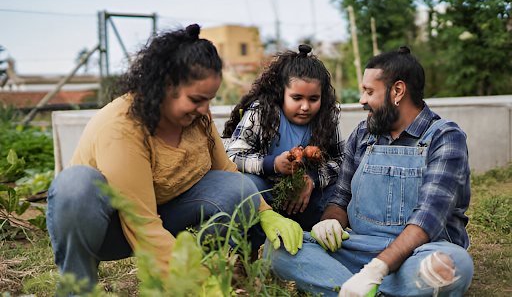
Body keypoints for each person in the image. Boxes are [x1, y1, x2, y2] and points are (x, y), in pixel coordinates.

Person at [46, 24, 303, 295]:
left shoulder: (197, 117)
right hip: (107, 229)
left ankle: (213, 269)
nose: (205, 109)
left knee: (234, 187)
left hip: (160, 216)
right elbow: (141, 223)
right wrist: (196, 284)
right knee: (76, 184)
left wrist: (266, 213)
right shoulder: (121, 127)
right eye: (196, 99)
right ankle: (78, 287)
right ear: (164, 86)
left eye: (209, 100)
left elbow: (226, 169)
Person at [266, 46, 474, 297]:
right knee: (277, 248)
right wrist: (329, 222)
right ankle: (373, 291)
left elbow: (428, 218)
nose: (362, 100)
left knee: (454, 264)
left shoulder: (444, 137)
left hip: (420, 252)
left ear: (397, 91)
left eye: (369, 91)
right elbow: (340, 198)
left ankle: (353, 286)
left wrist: (375, 270)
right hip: (359, 249)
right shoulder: (363, 135)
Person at [223, 44, 345, 239]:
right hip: (267, 192)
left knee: (335, 194)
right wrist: (273, 164)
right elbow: (233, 155)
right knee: (247, 188)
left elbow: (341, 161)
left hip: (304, 197)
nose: (305, 106)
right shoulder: (261, 112)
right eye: (296, 98)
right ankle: (251, 248)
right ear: (281, 93)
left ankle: (314, 240)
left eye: (314, 99)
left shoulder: (326, 118)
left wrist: (312, 180)